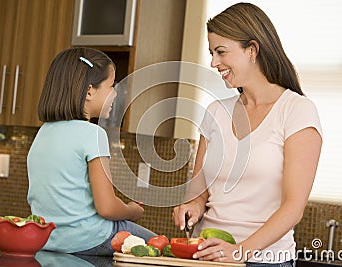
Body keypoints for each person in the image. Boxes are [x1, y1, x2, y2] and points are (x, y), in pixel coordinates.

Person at [173, 3, 322, 266]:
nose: (213, 62)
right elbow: (200, 192)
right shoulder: (216, 111)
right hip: (205, 256)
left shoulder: (297, 111)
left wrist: (239, 250)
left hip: (264, 260)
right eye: (211, 53)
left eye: (221, 52)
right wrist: (192, 207)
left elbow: (293, 208)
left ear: (252, 50)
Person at [27, 47, 156, 256]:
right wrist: (132, 211)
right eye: (111, 86)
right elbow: (107, 208)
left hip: (48, 242)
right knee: (162, 247)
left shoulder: (43, 133)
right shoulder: (93, 134)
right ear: (89, 91)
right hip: (92, 238)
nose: (115, 93)